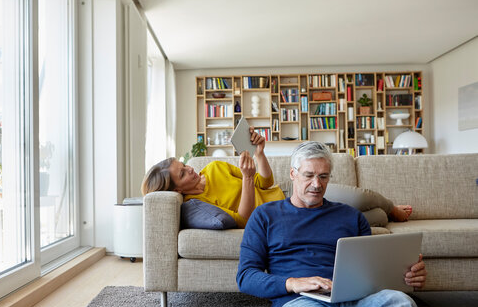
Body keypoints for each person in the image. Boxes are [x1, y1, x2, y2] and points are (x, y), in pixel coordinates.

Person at [236, 141, 427, 307]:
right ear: (293, 174)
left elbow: (371, 272)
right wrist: (294, 283)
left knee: (401, 305)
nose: (317, 184)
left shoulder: (351, 216)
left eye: (324, 176)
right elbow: (246, 277)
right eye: (308, 175)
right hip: (298, 304)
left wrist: (406, 274)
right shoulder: (265, 215)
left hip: (353, 301)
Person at [141, 128, 413, 228]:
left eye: (183, 165)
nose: (189, 168)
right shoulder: (198, 205)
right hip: (280, 210)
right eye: (182, 173)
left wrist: (260, 153)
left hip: (285, 190)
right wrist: (247, 180)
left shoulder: (213, 169)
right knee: (368, 218)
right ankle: (383, 215)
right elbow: (244, 219)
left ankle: (390, 208)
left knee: (360, 197)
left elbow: (266, 183)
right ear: (175, 188)